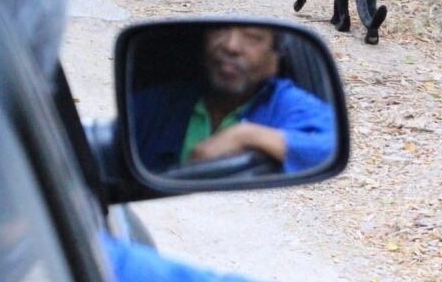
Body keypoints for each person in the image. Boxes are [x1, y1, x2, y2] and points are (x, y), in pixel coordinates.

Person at [0, 0, 307, 282]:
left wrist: (249, 136)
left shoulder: (286, 101)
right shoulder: (162, 106)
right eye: (221, 43)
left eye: (251, 42)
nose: (232, 52)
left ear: (273, 62)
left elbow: (318, 139)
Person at [133, 25, 336, 175]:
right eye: (220, 30)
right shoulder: (155, 103)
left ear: (273, 62)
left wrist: (246, 135)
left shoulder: (282, 103)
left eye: (252, 37)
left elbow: (332, 144)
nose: (231, 46)